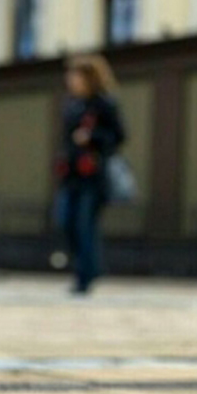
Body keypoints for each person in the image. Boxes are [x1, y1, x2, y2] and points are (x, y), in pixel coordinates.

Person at [56, 55, 126, 295]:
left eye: (75, 76)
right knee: (65, 220)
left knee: (85, 226)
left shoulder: (104, 104)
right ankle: (89, 268)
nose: (71, 81)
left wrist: (93, 137)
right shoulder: (72, 105)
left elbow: (118, 137)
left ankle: (84, 277)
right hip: (71, 176)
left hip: (93, 177)